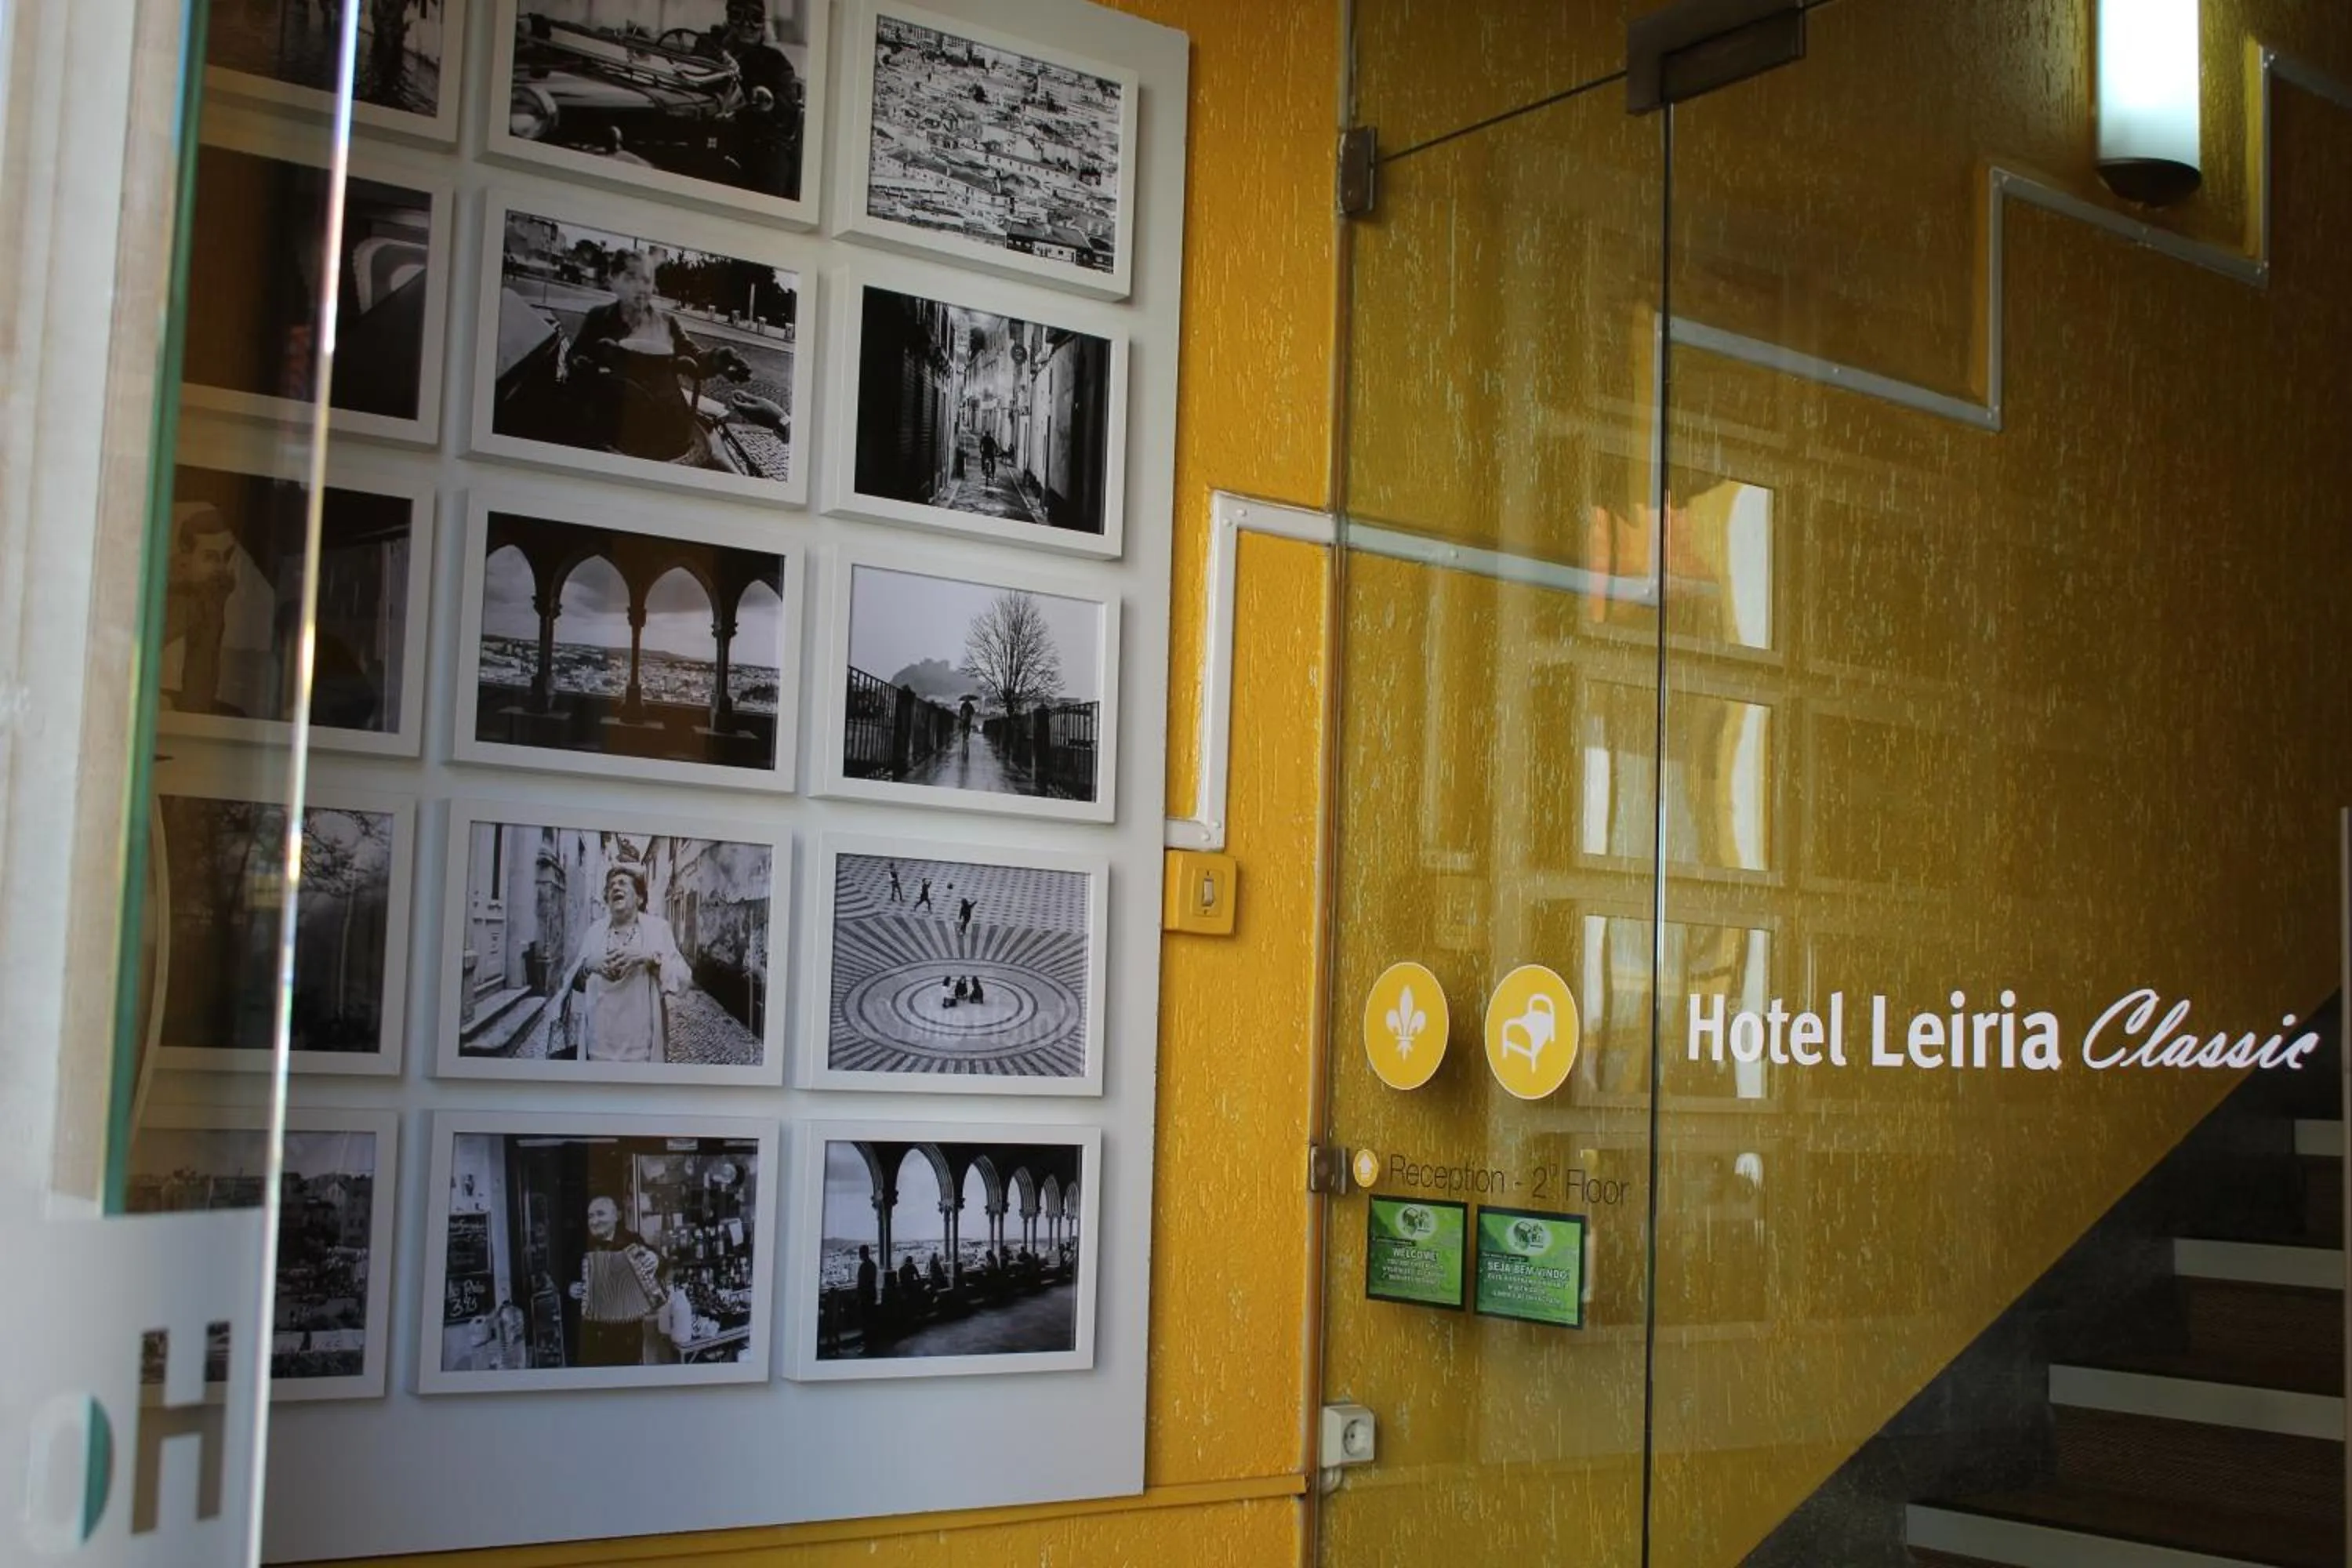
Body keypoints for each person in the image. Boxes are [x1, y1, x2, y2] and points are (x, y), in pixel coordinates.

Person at [565, 251, 760, 466]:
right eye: (631, 277)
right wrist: (593, 368)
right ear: (614, 280)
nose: (640, 288)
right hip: (610, 429)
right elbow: (574, 358)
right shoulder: (598, 318)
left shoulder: (667, 323)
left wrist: (717, 359)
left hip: (663, 429)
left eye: (647, 280)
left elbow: (695, 360)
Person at [554, 864, 689, 1062]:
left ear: (639, 898)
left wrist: (649, 957)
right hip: (597, 1049)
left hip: (640, 1051)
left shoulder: (657, 929)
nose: (615, 888)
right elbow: (574, 985)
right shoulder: (595, 932)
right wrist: (589, 965)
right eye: (610, 886)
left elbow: (684, 980)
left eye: (622, 883)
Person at [695, 0, 802, 198]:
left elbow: (788, 109)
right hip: (712, 131)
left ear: (763, 23)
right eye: (738, 15)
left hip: (759, 144)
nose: (746, 25)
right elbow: (693, 74)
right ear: (729, 19)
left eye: (754, 18)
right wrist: (721, 56)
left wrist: (766, 101)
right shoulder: (710, 46)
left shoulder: (776, 62)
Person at [567, 1196, 662, 1367]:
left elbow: (662, 1266)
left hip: (626, 1337)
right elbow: (567, 1278)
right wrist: (570, 1288)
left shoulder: (632, 1241)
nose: (594, 1221)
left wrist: (655, 1259)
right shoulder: (580, 1246)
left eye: (600, 1214)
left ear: (616, 1216)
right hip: (592, 1335)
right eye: (590, 1216)